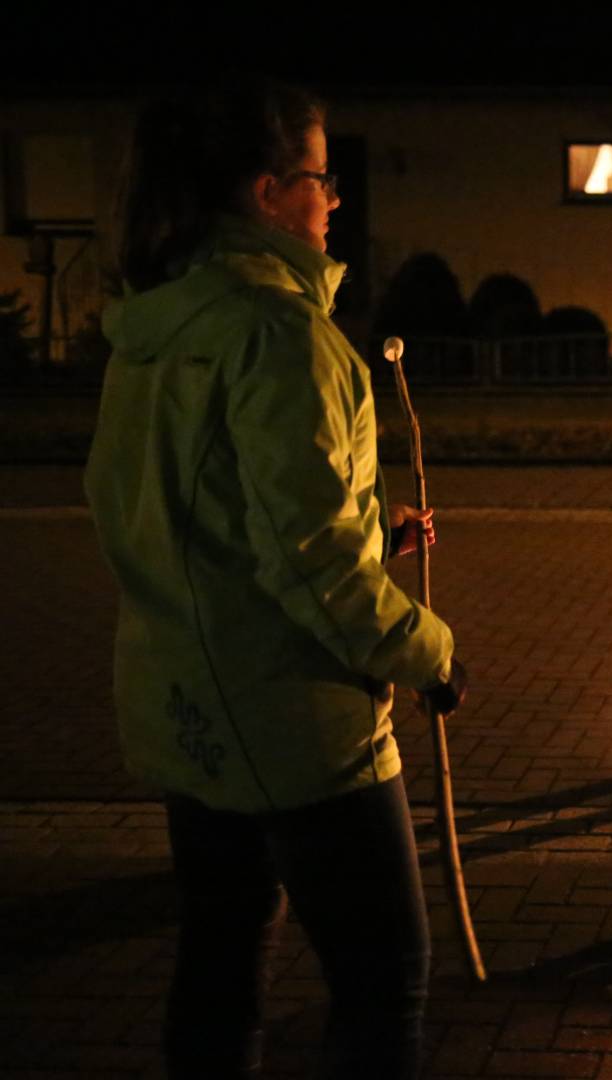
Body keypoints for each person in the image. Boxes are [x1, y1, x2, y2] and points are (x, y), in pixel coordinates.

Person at [84, 80, 466, 1079]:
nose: (333, 198)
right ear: (267, 192)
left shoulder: (157, 328)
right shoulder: (280, 334)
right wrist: (428, 650)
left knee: (221, 960)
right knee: (385, 981)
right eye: (319, 176)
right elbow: (315, 567)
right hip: (296, 728)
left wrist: (370, 526)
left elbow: (195, 511)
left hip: (187, 712)